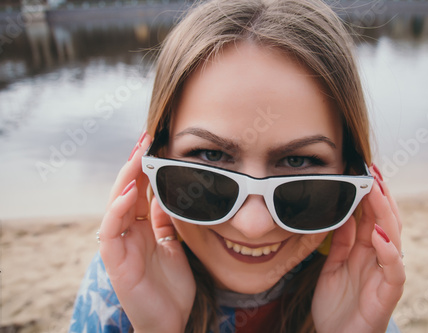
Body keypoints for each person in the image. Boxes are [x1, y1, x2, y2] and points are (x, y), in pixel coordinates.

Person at [69, 0, 405, 332]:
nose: (253, 225)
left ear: (351, 171)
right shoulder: (120, 283)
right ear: (155, 155)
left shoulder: (360, 298)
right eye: (211, 157)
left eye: (297, 161)